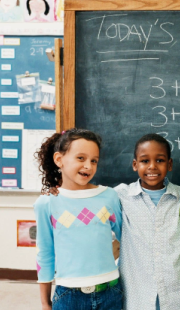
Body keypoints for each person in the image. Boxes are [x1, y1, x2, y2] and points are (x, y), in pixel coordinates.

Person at [34, 128, 123, 310]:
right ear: (59, 160)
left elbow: (126, 238)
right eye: (80, 158)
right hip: (68, 295)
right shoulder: (47, 203)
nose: (88, 166)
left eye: (94, 161)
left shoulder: (109, 196)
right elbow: (45, 253)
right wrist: (44, 302)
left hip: (110, 291)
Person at [115, 134, 180, 310]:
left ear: (170, 164)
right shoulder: (121, 196)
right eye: (144, 161)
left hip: (176, 293)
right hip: (137, 294)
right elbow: (91, 198)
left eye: (159, 160)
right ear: (135, 165)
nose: (152, 166)